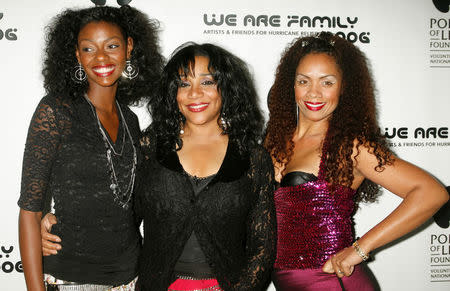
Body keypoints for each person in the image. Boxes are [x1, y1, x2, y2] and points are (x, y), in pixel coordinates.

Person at [264, 32, 448, 290]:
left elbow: (431, 194)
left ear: (343, 87)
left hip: (333, 281)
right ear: (290, 85)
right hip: (286, 281)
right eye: (303, 81)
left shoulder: (350, 146)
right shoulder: (273, 140)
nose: (313, 93)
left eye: (327, 82)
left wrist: (359, 250)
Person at [18, 4, 164, 290]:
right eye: (88, 48)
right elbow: (29, 211)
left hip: (131, 278)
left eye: (112, 45)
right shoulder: (56, 111)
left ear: (129, 47)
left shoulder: (131, 120)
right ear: (76, 54)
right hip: (73, 278)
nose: (101, 57)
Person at [135, 42, 277, 290]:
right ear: (173, 92)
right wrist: (49, 219)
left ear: (227, 88)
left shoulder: (252, 157)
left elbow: (262, 246)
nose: (194, 93)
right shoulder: (150, 147)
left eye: (207, 82)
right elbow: (121, 215)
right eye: (183, 83)